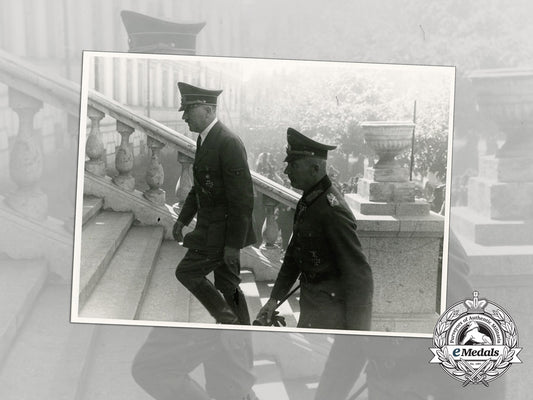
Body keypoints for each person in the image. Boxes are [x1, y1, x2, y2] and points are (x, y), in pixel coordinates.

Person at [256, 128, 373, 330]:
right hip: (313, 305)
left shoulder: (332, 211)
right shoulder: (309, 201)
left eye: (293, 165)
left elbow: (360, 277)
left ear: (315, 168)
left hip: (333, 316)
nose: (286, 171)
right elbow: (293, 255)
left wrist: (359, 337)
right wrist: (273, 300)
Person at [172, 82, 256, 325]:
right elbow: (200, 187)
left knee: (186, 272)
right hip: (214, 230)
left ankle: (227, 320)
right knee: (229, 287)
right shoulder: (205, 140)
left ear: (209, 110)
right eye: (185, 111)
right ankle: (242, 336)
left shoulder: (228, 142)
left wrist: (232, 245)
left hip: (221, 234)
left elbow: (243, 200)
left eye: (189, 110)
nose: (185, 116)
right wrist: (183, 219)